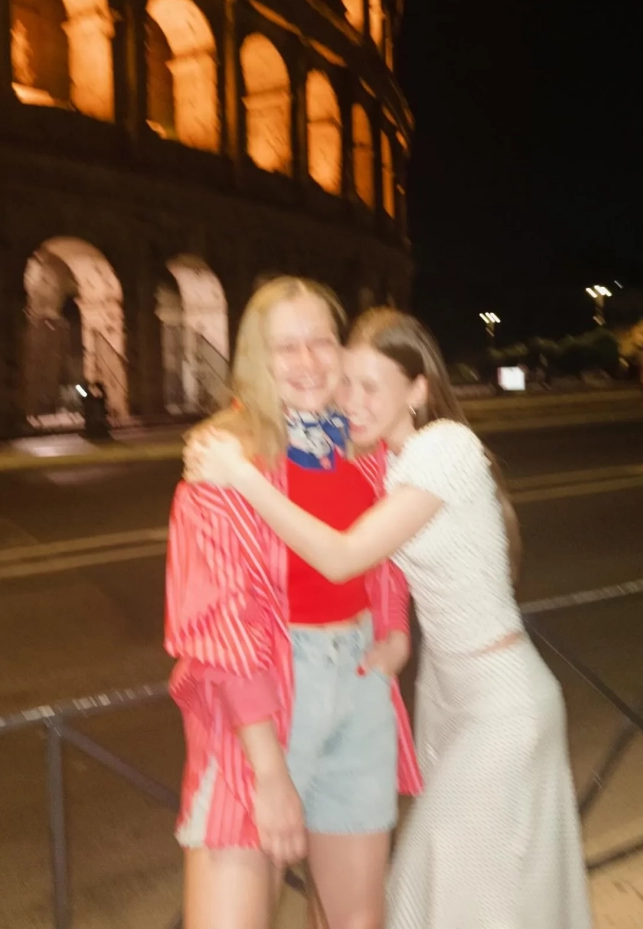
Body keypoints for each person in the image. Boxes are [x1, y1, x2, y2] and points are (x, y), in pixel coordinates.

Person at [185, 308, 593, 929]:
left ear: (419, 389)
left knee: (435, 882)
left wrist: (239, 476)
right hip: (443, 697)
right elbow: (383, 561)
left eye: (371, 386)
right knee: (481, 891)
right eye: (348, 382)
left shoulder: (447, 447)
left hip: (501, 703)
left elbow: (345, 556)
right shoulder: (384, 461)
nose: (353, 401)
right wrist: (397, 628)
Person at [165, 279, 421, 929]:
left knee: (355, 921)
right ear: (257, 357)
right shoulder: (223, 464)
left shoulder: (363, 449)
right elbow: (220, 625)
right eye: (286, 347)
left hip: (360, 688)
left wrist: (394, 629)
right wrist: (269, 770)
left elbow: (385, 553)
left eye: (321, 341)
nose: (308, 361)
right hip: (264, 706)